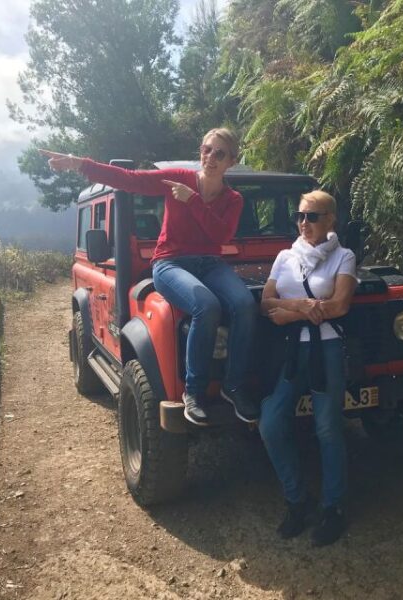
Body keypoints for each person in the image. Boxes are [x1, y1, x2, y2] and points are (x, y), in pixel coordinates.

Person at [40, 128, 260, 426]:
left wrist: (192, 201)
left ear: (231, 161)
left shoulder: (232, 199)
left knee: (245, 304)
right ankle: (193, 393)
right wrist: (81, 164)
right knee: (206, 306)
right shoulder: (179, 179)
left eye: (219, 153)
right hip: (169, 263)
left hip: (210, 263)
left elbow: (220, 235)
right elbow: (130, 180)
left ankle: (233, 387)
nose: (210, 157)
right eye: (207, 149)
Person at [259, 190, 357, 546]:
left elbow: (340, 305)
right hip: (293, 351)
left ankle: (333, 508)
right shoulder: (285, 257)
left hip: (327, 348)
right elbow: (265, 304)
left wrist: (286, 313)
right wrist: (300, 306)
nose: (304, 223)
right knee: (271, 421)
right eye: (300, 216)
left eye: (312, 216)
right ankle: (297, 499)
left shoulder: (343, 257)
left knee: (328, 427)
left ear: (330, 219)